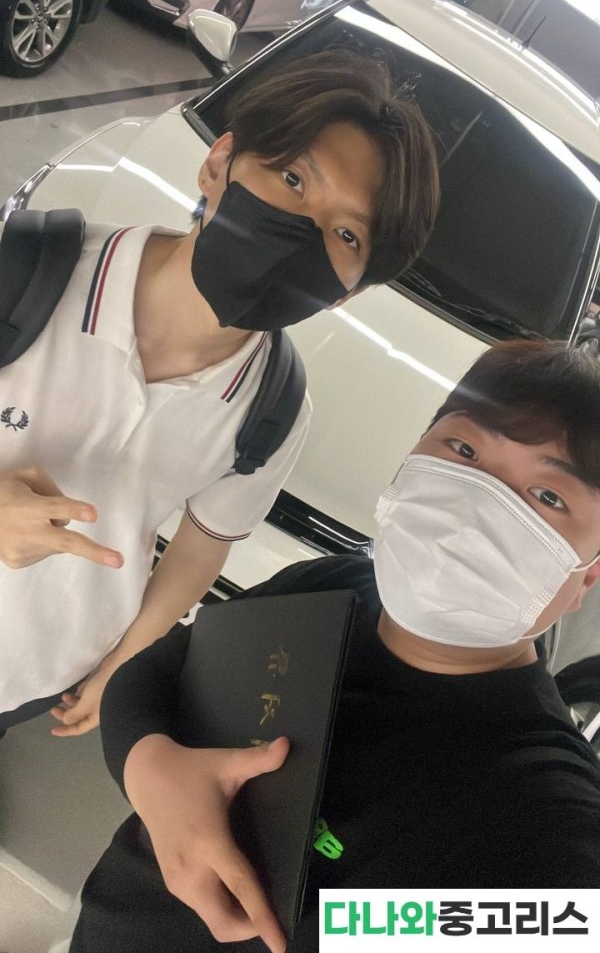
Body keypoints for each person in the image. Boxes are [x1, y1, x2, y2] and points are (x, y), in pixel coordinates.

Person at [67, 338, 600, 953]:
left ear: (587, 576)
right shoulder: (332, 583)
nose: (479, 503)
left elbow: (555, 917)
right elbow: (156, 675)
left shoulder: (539, 799)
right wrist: (150, 766)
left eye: (548, 496)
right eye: (464, 449)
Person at [0, 49, 440, 738]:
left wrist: (122, 662)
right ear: (220, 162)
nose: (304, 230)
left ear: (348, 291)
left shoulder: (273, 411)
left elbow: (199, 549)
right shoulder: (25, 266)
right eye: (293, 178)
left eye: (346, 233)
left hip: (37, 670)